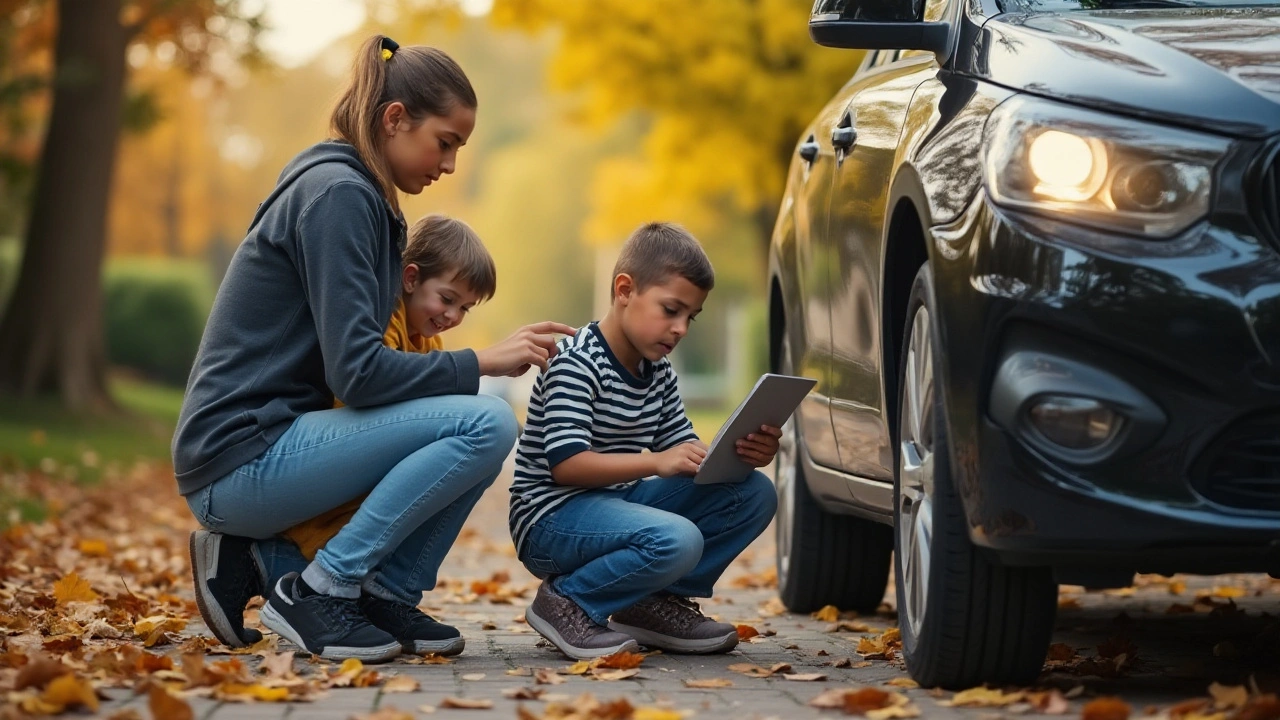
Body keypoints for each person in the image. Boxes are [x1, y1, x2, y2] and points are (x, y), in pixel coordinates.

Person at [175, 35, 574, 663]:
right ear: (394, 119)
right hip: (239, 457)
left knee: (477, 425)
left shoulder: (355, 191)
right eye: (445, 143)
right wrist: (481, 361)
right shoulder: (340, 196)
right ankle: (318, 589)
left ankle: (373, 590)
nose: (448, 166)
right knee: (487, 421)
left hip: (268, 448)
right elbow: (358, 374)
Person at [507, 222, 782, 660]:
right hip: (551, 518)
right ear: (624, 290)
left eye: (690, 317)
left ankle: (649, 602)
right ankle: (568, 601)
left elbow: (686, 461)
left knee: (752, 494)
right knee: (678, 539)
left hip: (618, 506)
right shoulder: (576, 361)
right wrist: (656, 461)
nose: (681, 329)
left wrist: (745, 455)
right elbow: (568, 465)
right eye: (670, 310)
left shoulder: (658, 373)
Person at [281, 213, 495, 569]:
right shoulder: (384, 319)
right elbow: (363, 392)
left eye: (465, 309)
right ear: (411, 278)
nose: (453, 316)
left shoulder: (427, 341)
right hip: (328, 474)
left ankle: (388, 583)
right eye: (447, 299)